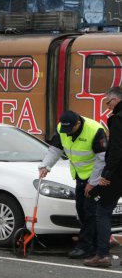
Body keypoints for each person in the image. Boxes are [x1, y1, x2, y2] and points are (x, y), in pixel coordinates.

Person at [38, 110, 107, 259]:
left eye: (70, 130)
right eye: (65, 130)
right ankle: (95, 244)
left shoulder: (94, 130)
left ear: (78, 123)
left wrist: (93, 183)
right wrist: (46, 166)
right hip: (79, 175)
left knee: (90, 211)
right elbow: (55, 149)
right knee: (81, 210)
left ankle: (85, 247)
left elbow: (102, 159)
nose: (67, 133)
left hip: (94, 176)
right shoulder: (62, 128)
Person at [84, 87, 122, 267]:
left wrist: (105, 175)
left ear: (116, 100)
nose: (108, 106)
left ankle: (102, 255)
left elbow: (116, 150)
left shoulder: (117, 119)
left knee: (103, 210)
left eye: (108, 102)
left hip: (118, 173)